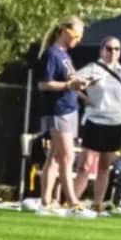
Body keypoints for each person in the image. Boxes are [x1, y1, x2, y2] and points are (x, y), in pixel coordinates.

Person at [72, 36, 121, 216]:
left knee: (105, 165)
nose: (113, 52)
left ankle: (97, 204)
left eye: (117, 49)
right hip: (94, 119)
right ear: (101, 50)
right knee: (85, 165)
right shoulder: (93, 68)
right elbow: (72, 82)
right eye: (109, 48)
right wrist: (85, 97)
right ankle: (72, 202)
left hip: (116, 121)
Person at [35, 17, 90, 216]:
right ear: (64, 31)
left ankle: (46, 200)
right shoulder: (52, 54)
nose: (78, 39)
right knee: (67, 156)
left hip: (68, 108)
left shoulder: (65, 55)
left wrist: (80, 88)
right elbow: (44, 84)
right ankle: (72, 201)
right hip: (59, 110)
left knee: (56, 158)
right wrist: (69, 85)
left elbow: (67, 80)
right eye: (75, 35)